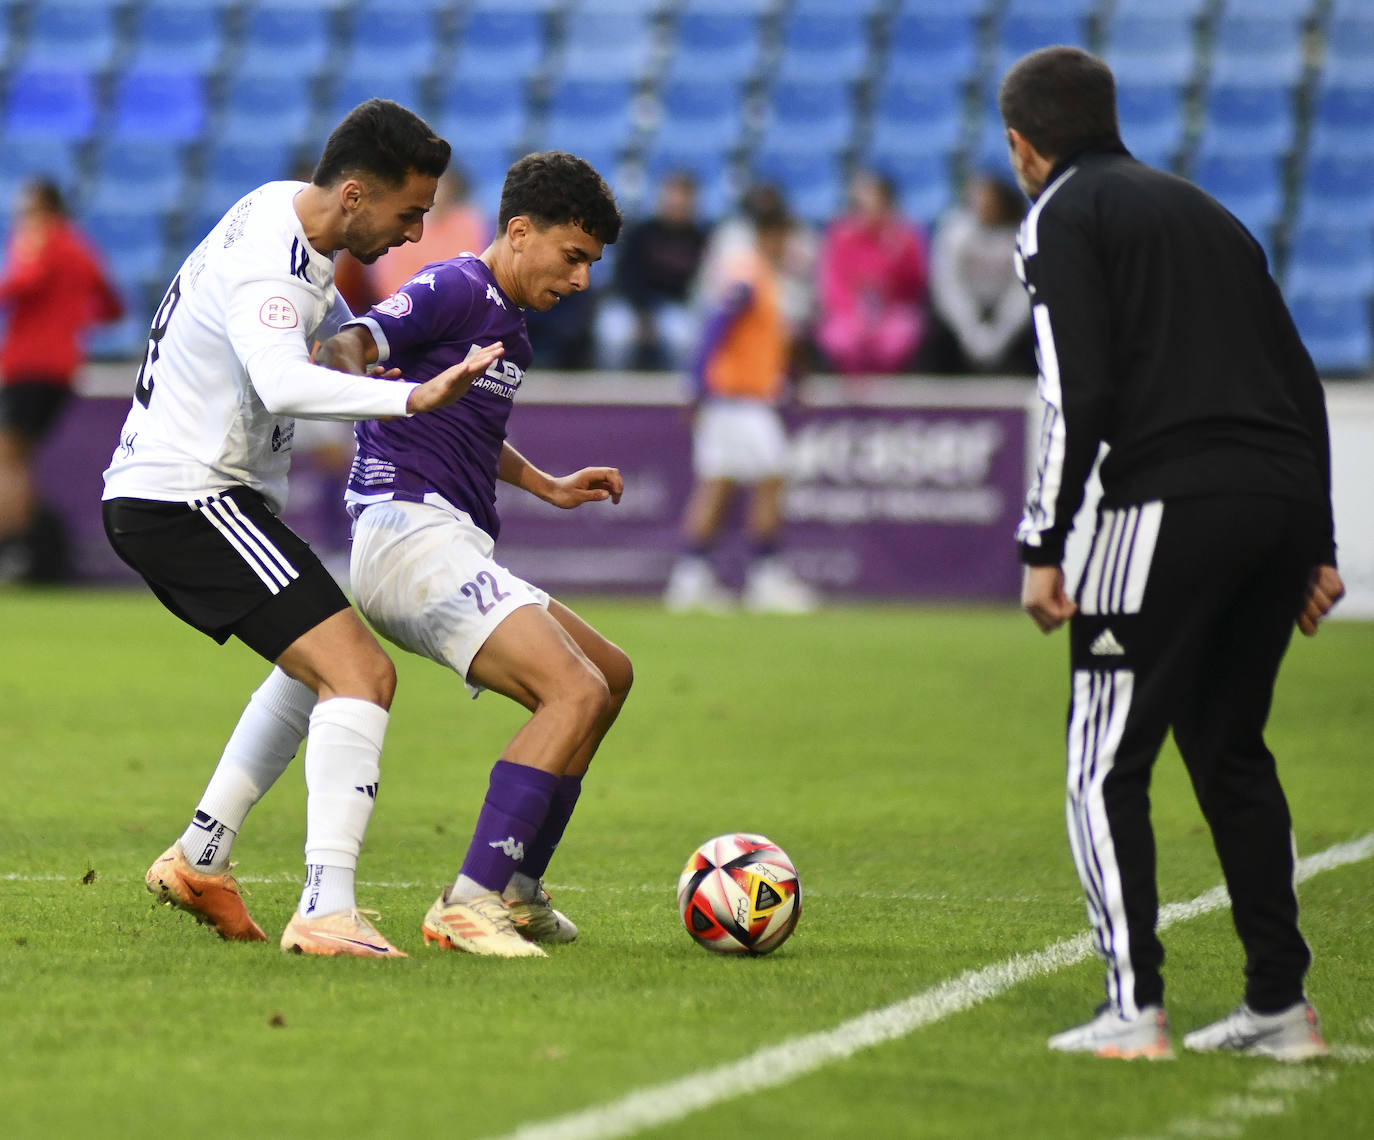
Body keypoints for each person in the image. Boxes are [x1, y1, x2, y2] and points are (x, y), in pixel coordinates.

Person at [101, 99, 505, 958]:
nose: (416, 230)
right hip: (189, 496)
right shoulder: (272, 264)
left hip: (191, 494)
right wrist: (411, 394)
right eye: (409, 212)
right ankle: (326, 909)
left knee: (316, 666)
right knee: (361, 673)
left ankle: (200, 858)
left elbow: (306, 353)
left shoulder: (285, 211)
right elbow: (285, 383)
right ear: (355, 195)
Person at [1001, 47, 1343, 1061]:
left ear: (1024, 145)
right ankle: (1280, 1008)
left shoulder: (1061, 215)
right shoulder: (1211, 215)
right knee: (1231, 749)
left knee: (1103, 763)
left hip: (1169, 503)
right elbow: (1303, 382)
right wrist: (1315, 541)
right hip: (1278, 502)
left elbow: (1077, 393)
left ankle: (1132, 1008)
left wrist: (1043, 542)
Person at [315, 151, 632, 959]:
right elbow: (353, 339)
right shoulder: (456, 285)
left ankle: (518, 890)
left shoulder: (508, 327)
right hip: (405, 535)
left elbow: (471, 426)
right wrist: (369, 380)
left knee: (610, 675)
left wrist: (547, 484)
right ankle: (473, 897)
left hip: (441, 538)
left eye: (592, 265)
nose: (582, 280)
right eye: (573, 257)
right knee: (572, 690)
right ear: (519, 232)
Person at [662, 195, 818, 615]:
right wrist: (695, 386)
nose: (789, 246)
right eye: (785, 237)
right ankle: (765, 576)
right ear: (772, 235)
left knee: (717, 484)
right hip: (738, 401)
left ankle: (689, 578)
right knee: (771, 476)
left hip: (733, 400)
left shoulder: (758, 273)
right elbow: (715, 327)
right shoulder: (749, 274)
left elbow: (765, 340)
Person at [0, 179, 124, 582]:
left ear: (44, 208)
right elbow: (112, 305)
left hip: (28, 366)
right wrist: (71, 321)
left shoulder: (43, 243)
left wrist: (21, 251)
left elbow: (19, 286)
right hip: (62, 367)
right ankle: (25, 548)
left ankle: (14, 550)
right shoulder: (81, 247)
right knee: (19, 458)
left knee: (8, 459)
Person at [919, 169, 1035, 376]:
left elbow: (1022, 293)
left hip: (1006, 314)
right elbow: (949, 288)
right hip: (965, 312)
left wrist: (999, 335)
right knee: (933, 331)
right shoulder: (954, 234)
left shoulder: (1023, 235)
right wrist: (970, 331)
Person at [814, 169, 928, 377]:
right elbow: (833, 285)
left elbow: (914, 286)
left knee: (902, 336)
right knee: (838, 338)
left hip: (893, 315)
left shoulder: (906, 236)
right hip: (850, 315)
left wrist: (895, 257)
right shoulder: (840, 236)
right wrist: (856, 318)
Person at [596, 168, 709, 370]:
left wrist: (660, 313)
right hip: (631, 304)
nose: (677, 203)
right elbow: (624, 278)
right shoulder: (640, 232)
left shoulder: (700, 239)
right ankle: (611, 392)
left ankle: (679, 395)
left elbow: (697, 287)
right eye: (672, 196)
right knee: (614, 333)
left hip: (674, 308)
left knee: (682, 336)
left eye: (683, 198)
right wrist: (644, 313)